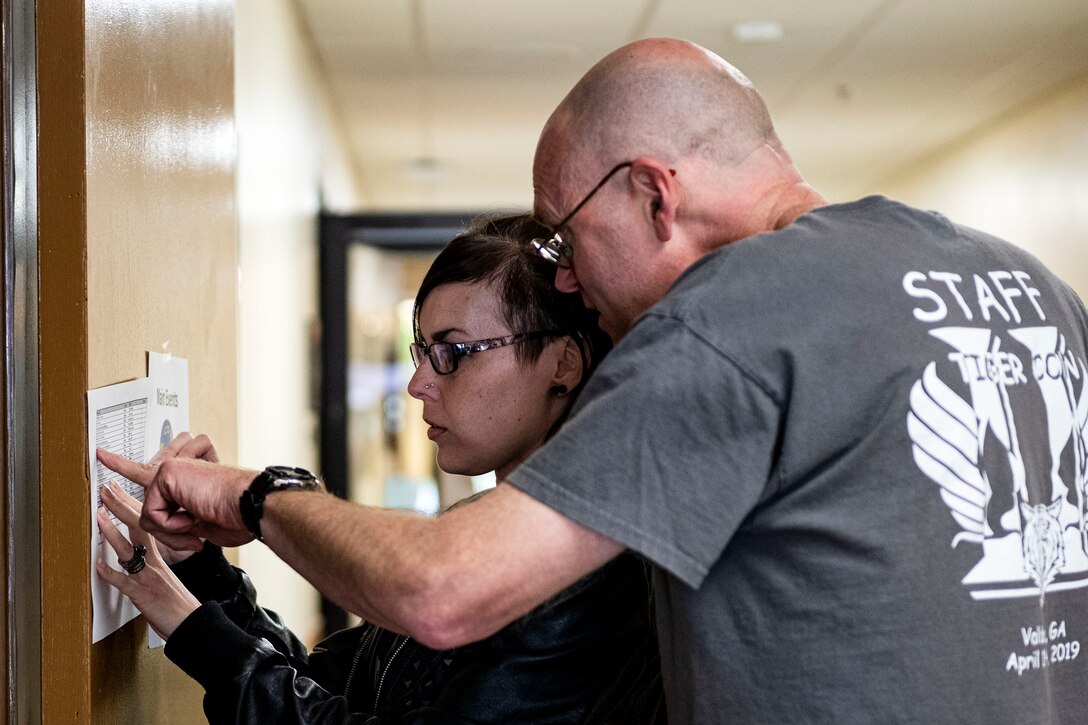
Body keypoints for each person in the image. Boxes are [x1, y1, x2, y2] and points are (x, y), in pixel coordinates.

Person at [100, 38, 1088, 722]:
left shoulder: (738, 310)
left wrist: (254, 494)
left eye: (566, 235)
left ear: (653, 192)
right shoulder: (1026, 287)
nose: (565, 275)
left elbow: (441, 591)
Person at [96, 213, 664, 723]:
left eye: (454, 352)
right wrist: (198, 571)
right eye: (423, 352)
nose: (418, 384)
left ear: (562, 363)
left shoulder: (587, 576)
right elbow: (330, 689)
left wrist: (197, 627)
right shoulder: (474, 526)